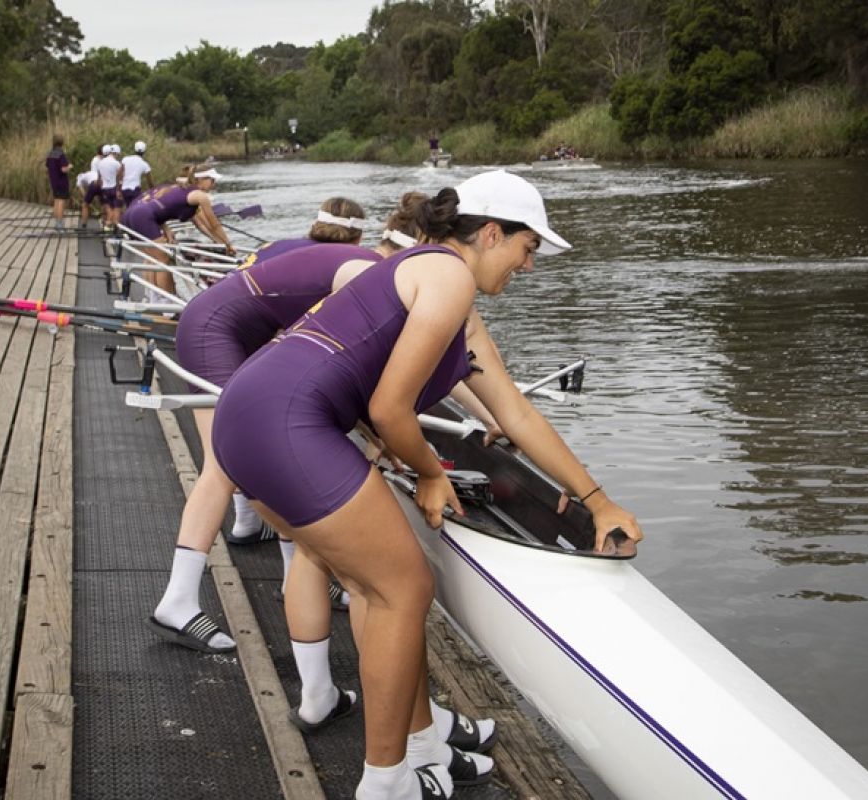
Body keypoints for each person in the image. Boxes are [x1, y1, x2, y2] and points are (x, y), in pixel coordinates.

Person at [210, 170, 643, 799]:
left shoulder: (433, 281)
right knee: (405, 588)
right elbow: (392, 407)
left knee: (370, 587)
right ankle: (386, 786)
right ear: (491, 233)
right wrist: (432, 472)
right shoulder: (448, 274)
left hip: (247, 418)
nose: (529, 265)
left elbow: (514, 413)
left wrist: (596, 501)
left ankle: (417, 748)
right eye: (528, 249)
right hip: (286, 424)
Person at [119, 164, 234, 295]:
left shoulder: (179, 189)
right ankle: (167, 303)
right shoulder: (199, 196)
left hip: (131, 215)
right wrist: (228, 244)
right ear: (201, 179)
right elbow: (215, 225)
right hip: (142, 217)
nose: (214, 184)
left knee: (152, 257)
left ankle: (152, 297)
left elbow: (158, 207)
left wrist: (217, 241)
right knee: (164, 259)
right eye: (212, 180)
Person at [45, 134, 72, 230]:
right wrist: (69, 166)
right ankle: (60, 224)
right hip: (61, 181)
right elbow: (63, 169)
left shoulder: (50, 153)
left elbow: (47, 166)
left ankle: (57, 222)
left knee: (56, 200)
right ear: (62, 142)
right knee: (61, 201)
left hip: (53, 181)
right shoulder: (61, 154)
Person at [96, 144, 123, 232]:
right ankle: (113, 228)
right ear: (116, 153)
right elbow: (120, 178)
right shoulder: (117, 163)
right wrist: (120, 190)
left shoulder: (101, 163)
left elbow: (99, 178)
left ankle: (107, 227)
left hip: (104, 189)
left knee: (109, 209)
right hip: (114, 188)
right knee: (116, 209)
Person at [120, 140, 153, 207]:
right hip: (135, 190)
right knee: (136, 207)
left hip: (124, 190)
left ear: (135, 149)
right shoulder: (144, 164)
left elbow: (119, 174)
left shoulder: (125, 159)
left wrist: (119, 187)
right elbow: (150, 181)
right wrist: (152, 190)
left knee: (128, 207)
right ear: (144, 151)